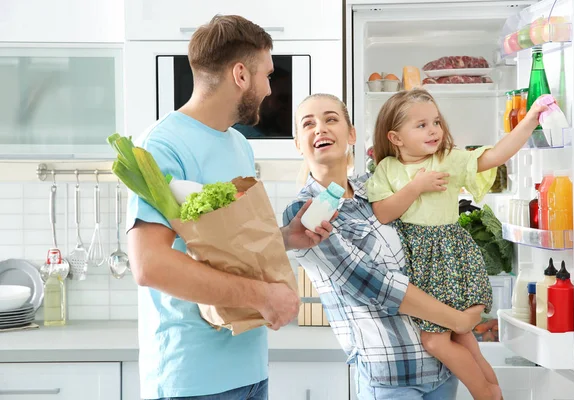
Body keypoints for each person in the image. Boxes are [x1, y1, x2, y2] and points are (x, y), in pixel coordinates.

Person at [126, 15, 334, 400]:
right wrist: (264, 297)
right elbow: (149, 265)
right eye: (267, 75)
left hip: (249, 369)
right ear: (241, 74)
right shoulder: (161, 146)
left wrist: (288, 238)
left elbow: (227, 244)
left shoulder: (238, 144)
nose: (271, 89)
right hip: (191, 380)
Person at [284, 93, 486, 400]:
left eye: (331, 119)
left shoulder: (377, 187)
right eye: (308, 124)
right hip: (393, 376)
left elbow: (428, 247)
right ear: (298, 143)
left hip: (444, 365)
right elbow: (372, 284)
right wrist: (458, 320)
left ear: (351, 134)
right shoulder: (304, 213)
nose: (320, 129)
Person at [366, 89, 548, 400]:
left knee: (435, 341)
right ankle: (493, 391)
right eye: (421, 125)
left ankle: (484, 395)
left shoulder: (447, 159)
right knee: (462, 337)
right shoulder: (387, 169)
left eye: (435, 121)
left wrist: (530, 120)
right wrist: (416, 187)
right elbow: (383, 212)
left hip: (450, 258)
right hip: (420, 264)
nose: (433, 129)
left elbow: (495, 156)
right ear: (395, 138)